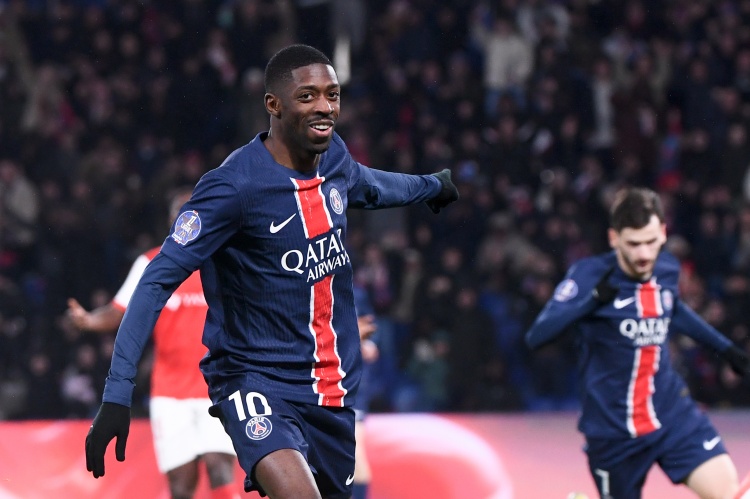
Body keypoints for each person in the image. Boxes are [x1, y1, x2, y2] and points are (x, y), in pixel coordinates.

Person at [85, 43, 458, 499]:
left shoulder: (334, 160)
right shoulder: (232, 188)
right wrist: (117, 392)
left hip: (330, 389)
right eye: (307, 96)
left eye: (332, 95)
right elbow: (155, 281)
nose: (324, 107)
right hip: (254, 381)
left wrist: (432, 186)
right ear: (273, 105)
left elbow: (372, 185)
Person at [525, 187, 750, 499]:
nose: (644, 254)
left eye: (650, 242)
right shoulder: (589, 275)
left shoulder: (667, 269)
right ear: (614, 238)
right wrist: (591, 302)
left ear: (663, 233)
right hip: (612, 431)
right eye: (633, 244)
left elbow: (673, 309)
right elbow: (538, 336)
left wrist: (727, 350)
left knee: (728, 493)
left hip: (672, 415)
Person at [69, 189, 239, 499]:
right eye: (180, 213)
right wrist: (89, 321)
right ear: (172, 220)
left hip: (217, 387)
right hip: (169, 394)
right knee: (181, 486)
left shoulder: (225, 257)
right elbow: (120, 311)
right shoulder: (152, 262)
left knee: (220, 469)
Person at [352, 284, 378, 499]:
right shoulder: (304, 285)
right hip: (315, 389)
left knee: (355, 456)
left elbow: (369, 332)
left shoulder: (355, 292)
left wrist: (368, 343)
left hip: (350, 390)